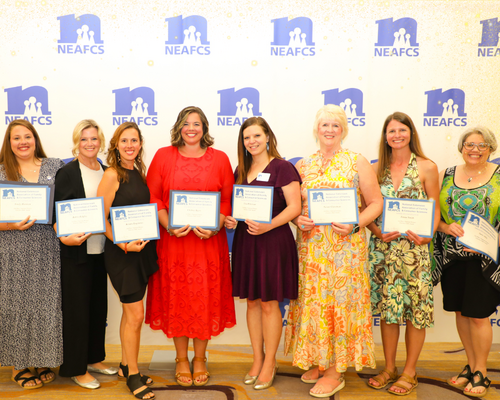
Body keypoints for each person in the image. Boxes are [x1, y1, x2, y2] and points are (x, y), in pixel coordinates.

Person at [284, 104, 383, 398]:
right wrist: (296, 218)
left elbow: (375, 203)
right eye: (324, 125)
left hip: (345, 253)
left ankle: (334, 370)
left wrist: (356, 224)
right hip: (312, 253)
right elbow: (294, 206)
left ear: (343, 130)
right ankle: (318, 358)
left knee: (339, 306)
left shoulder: (357, 162)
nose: (329, 130)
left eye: (335, 126)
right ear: (316, 129)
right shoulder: (303, 165)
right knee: (315, 305)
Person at [145, 106, 236, 386]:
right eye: (186, 123)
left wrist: (217, 225)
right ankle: (181, 359)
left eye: (197, 123)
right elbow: (155, 198)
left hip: (208, 244)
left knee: (204, 298)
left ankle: (200, 359)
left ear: (205, 128)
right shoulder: (163, 156)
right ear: (179, 128)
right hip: (174, 242)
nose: (191, 128)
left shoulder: (220, 159)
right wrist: (167, 224)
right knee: (178, 297)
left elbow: (225, 201)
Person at [0, 119, 64, 389]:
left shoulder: (54, 166)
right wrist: (10, 225)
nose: (23, 142)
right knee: (14, 305)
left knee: (44, 304)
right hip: (10, 249)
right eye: (17, 138)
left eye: (27, 136)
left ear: (35, 138)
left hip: (46, 248)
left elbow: (67, 204)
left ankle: (41, 357)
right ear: (9, 142)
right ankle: (18, 364)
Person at [224, 117, 301, 390]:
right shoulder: (240, 169)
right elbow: (236, 206)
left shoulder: (283, 167)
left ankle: (270, 362)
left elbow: (294, 207)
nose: (252, 141)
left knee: (270, 303)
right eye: (246, 137)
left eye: (256, 135)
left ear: (268, 136)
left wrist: (269, 224)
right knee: (253, 302)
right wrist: (232, 220)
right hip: (247, 241)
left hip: (273, 241)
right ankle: (257, 359)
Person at [366, 112, 440, 395]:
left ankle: (410, 371)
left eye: (402, 130)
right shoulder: (376, 169)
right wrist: (375, 231)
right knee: (388, 312)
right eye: (391, 131)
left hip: (415, 250)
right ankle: (389, 367)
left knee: (415, 313)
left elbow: (434, 209)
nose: (396, 135)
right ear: (385, 136)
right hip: (383, 250)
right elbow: (366, 209)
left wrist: (428, 235)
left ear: (411, 133)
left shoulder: (427, 166)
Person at [434, 126, 500, 398]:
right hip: (453, 258)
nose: (475, 149)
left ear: (491, 149)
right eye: (470, 144)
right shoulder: (445, 176)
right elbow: (433, 217)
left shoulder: (499, 177)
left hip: (484, 261)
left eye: (482, 145)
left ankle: (481, 372)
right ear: (461, 147)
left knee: (479, 316)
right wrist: (445, 227)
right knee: (461, 313)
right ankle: (471, 365)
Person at [54, 120, 117, 389]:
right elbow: (58, 212)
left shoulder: (106, 171)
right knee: (77, 312)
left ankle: (94, 358)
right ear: (76, 142)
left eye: (94, 139)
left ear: (100, 142)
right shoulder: (67, 172)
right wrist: (63, 235)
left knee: (96, 307)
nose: (89, 144)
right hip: (76, 252)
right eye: (84, 139)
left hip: (102, 251)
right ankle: (76, 368)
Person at [97, 122, 158, 399]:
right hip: (121, 253)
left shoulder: (139, 173)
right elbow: (100, 217)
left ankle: (124, 364)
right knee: (135, 315)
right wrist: (121, 242)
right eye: (125, 141)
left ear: (140, 144)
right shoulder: (112, 174)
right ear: (116, 145)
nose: (130, 145)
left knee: (129, 313)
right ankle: (133, 375)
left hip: (141, 251)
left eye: (134, 140)